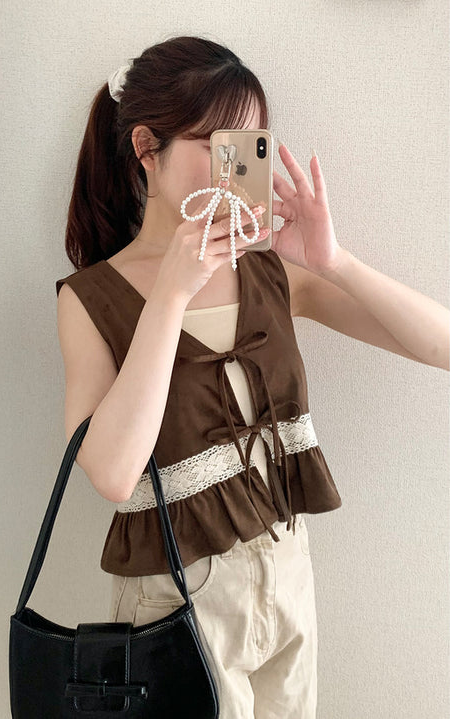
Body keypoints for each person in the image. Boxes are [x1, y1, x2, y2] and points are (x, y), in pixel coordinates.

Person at [55, 34, 449, 719]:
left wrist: (332, 261)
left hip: (286, 573)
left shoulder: (268, 272)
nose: (235, 164)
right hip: (174, 601)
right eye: (215, 142)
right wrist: (171, 292)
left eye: (248, 144)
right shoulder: (91, 298)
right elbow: (113, 476)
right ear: (146, 147)